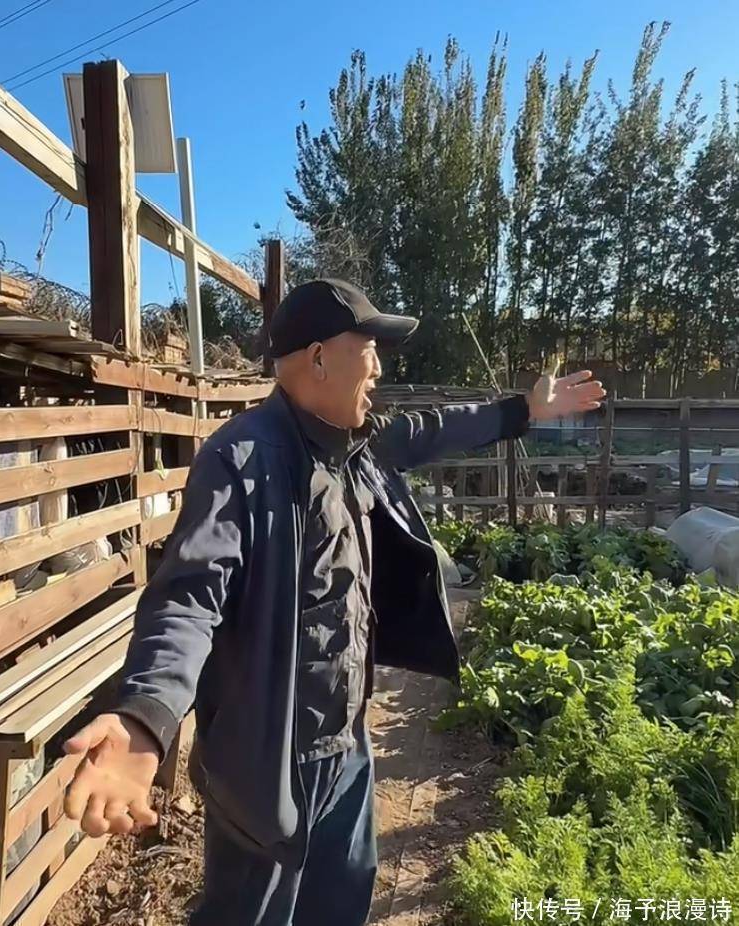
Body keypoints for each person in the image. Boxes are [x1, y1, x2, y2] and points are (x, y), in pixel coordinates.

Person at [63, 279, 604, 925]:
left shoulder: (359, 448)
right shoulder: (242, 460)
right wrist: (145, 717)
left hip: (346, 744)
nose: (378, 367)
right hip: (267, 757)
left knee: (340, 903)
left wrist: (523, 410)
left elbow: (433, 430)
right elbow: (189, 596)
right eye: (368, 348)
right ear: (318, 359)